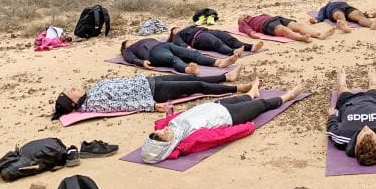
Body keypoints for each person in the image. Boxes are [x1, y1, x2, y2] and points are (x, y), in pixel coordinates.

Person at [141, 78, 305, 163]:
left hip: (213, 107)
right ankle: (288, 96)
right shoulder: (189, 140)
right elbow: (221, 136)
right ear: (166, 146)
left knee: (241, 98)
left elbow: (160, 124)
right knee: (262, 105)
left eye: (160, 131)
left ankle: (252, 92)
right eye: (164, 135)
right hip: (229, 116)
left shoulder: (168, 127)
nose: (165, 130)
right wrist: (247, 128)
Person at [51, 69, 247, 119]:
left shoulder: (91, 93)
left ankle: (226, 76)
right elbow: (123, 105)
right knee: (196, 85)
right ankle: (236, 89)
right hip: (153, 92)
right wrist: (152, 106)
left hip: (148, 81)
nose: (74, 87)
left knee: (184, 78)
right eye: (71, 92)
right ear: (73, 102)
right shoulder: (94, 103)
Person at [326, 66, 376, 165]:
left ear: (355, 145)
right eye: (371, 134)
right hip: (374, 101)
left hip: (348, 102)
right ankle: (373, 81)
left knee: (343, 89)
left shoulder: (342, 136)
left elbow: (332, 126)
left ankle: (342, 81)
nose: (366, 128)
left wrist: (332, 115)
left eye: (362, 134)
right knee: (374, 87)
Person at [120, 38, 238, 74]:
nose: (131, 40)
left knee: (192, 54)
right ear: (125, 46)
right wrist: (141, 62)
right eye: (128, 41)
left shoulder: (143, 40)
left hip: (165, 45)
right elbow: (129, 58)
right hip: (153, 53)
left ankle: (218, 62)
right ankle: (188, 69)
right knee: (173, 59)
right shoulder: (128, 49)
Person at [168, 25, 263, 57]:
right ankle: (232, 52)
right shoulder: (177, 35)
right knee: (215, 42)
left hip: (207, 31)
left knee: (227, 37)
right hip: (197, 39)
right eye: (174, 29)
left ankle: (250, 47)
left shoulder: (189, 27)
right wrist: (187, 47)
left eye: (177, 27)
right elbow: (180, 43)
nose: (177, 29)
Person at [238, 13, 333, 42]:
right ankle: (301, 38)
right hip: (265, 25)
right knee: (283, 30)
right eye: (241, 16)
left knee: (298, 26)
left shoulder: (256, 15)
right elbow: (246, 30)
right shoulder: (244, 22)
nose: (244, 15)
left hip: (277, 18)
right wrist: (252, 34)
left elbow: (267, 15)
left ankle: (318, 35)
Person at [311, 1, 376, 33]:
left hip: (347, 7)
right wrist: (317, 19)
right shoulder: (325, 7)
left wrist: (368, 15)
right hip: (334, 10)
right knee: (339, 15)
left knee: (358, 14)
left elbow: (361, 12)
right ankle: (345, 26)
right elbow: (321, 14)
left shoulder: (341, 2)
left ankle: (371, 24)